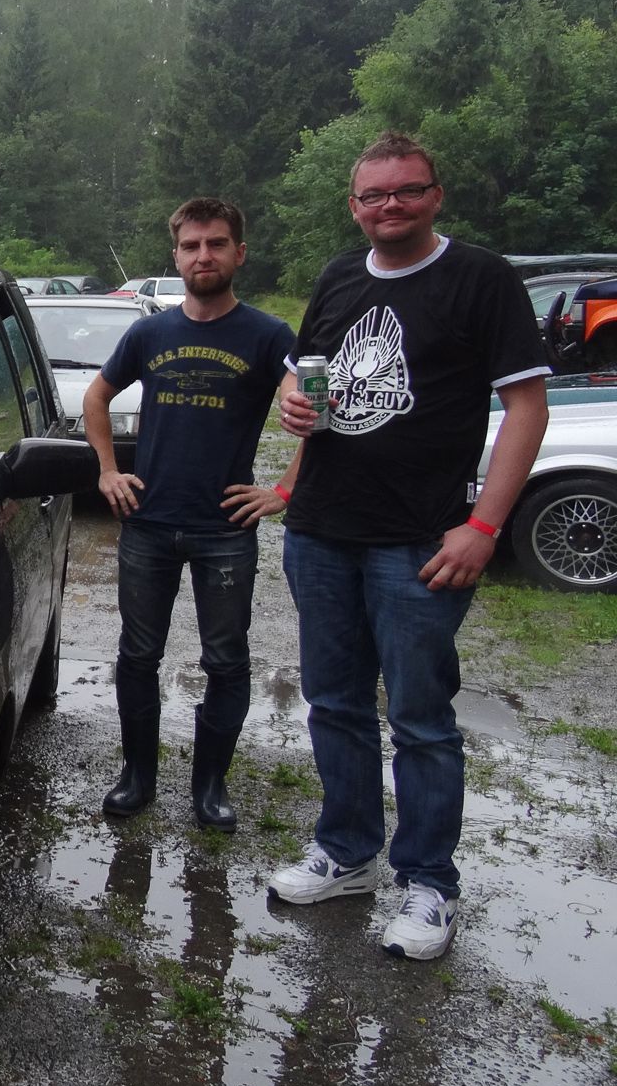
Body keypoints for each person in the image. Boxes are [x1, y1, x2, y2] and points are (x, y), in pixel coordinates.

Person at [267, 132, 550, 961]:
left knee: (421, 720)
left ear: (435, 195)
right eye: (374, 195)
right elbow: (304, 371)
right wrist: (293, 400)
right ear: (354, 206)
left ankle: (429, 884)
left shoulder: (482, 279)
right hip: (321, 530)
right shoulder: (338, 276)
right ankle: (348, 853)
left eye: (407, 190)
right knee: (335, 704)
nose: (390, 205)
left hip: (421, 540)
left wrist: (484, 527)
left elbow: (526, 408)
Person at [84, 197, 296, 832]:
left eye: (216, 243)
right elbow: (97, 395)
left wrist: (283, 491)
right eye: (191, 246)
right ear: (176, 256)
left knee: (226, 661)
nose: (204, 255)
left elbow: (310, 409)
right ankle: (137, 776)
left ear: (239, 253)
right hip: (148, 524)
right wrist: (107, 470)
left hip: (224, 529)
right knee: (137, 654)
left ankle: (210, 787)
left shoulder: (269, 336)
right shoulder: (149, 334)